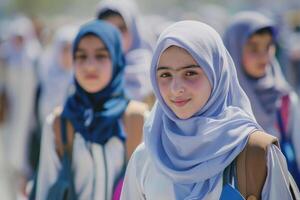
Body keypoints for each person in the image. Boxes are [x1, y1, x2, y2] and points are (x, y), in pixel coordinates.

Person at [120, 20, 299, 200]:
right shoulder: (146, 157)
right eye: (165, 74)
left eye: (190, 73)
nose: (176, 88)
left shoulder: (256, 153)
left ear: (217, 74)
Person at [35, 20, 148, 200]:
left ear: (117, 60)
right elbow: (44, 189)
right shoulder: (60, 122)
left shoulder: (139, 120)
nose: (89, 65)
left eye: (101, 55)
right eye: (81, 56)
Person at [223, 11, 300, 186]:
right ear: (233, 49)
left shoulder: (285, 99)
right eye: (253, 47)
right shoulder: (221, 103)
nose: (264, 55)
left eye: (269, 46)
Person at [96, 0, 155, 108]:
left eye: (121, 28)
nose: (115, 36)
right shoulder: (88, 67)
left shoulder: (153, 71)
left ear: (134, 30)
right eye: (107, 29)